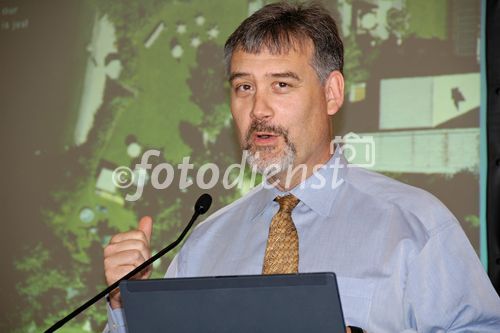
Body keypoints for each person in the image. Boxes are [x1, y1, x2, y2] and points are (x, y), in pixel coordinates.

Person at [103, 2, 500, 332]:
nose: (258, 109)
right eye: (244, 87)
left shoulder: (416, 225)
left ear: (331, 93)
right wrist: (126, 304)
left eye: (281, 85)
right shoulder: (203, 245)